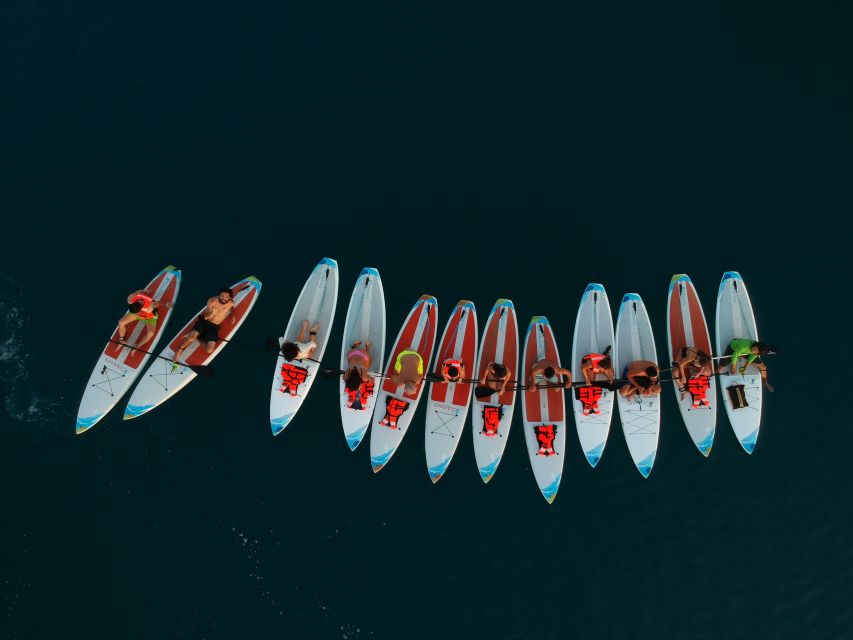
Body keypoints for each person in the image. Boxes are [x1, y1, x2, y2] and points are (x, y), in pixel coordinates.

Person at [173, 287, 236, 361]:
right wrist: (212, 313)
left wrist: (233, 314)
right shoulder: (212, 301)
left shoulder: (231, 302)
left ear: (230, 297)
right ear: (219, 295)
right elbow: (205, 317)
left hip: (214, 326)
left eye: (226, 296)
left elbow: (232, 307)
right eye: (222, 295)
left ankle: (198, 337)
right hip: (204, 322)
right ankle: (178, 351)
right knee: (191, 338)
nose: (223, 298)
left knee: (209, 350)